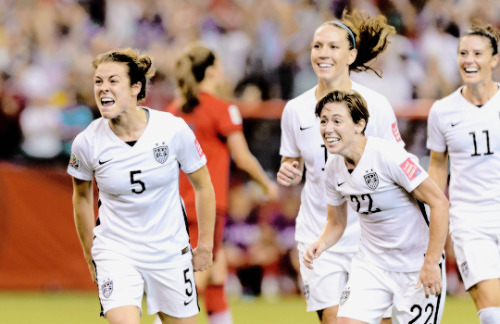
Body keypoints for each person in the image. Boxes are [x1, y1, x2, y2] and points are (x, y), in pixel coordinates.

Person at [276, 9, 435, 324]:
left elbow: (401, 171)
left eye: (333, 47)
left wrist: (419, 240)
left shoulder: (374, 105)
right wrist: (288, 170)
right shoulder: (294, 109)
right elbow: (291, 161)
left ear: (351, 54)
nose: (323, 53)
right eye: (317, 46)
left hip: (372, 237)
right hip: (319, 231)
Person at [67, 48, 216, 324]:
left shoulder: (172, 129)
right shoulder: (86, 142)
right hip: (116, 252)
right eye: (98, 81)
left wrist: (205, 244)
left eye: (113, 80)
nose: (103, 88)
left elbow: (204, 186)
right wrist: (91, 256)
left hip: (169, 251)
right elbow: (81, 197)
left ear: (136, 87)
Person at [304, 90, 449, 324]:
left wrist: (431, 263)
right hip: (371, 266)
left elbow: (439, 203)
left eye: (337, 121)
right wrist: (321, 243)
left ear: (359, 124)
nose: (328, 128)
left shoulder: (389, 156)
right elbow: (336, 222)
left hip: (414, 266)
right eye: (323, 121)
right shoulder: (333, 169)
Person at [161, 42, 279, 324]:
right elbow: (242, 156)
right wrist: (266, 183)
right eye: (221, 66)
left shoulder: (173, 109)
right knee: (195, 275)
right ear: (212, 71)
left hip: (174, 201)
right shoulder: (222, 109)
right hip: (208, 202)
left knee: (215, 270)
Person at [427, 23, 500, 324]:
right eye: (463, 53)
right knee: (492, 311)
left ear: (494, 59)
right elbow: (438, 167)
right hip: (470, 220)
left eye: (477, 53)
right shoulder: (443, 111)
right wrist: (430, 219)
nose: (468, 60)